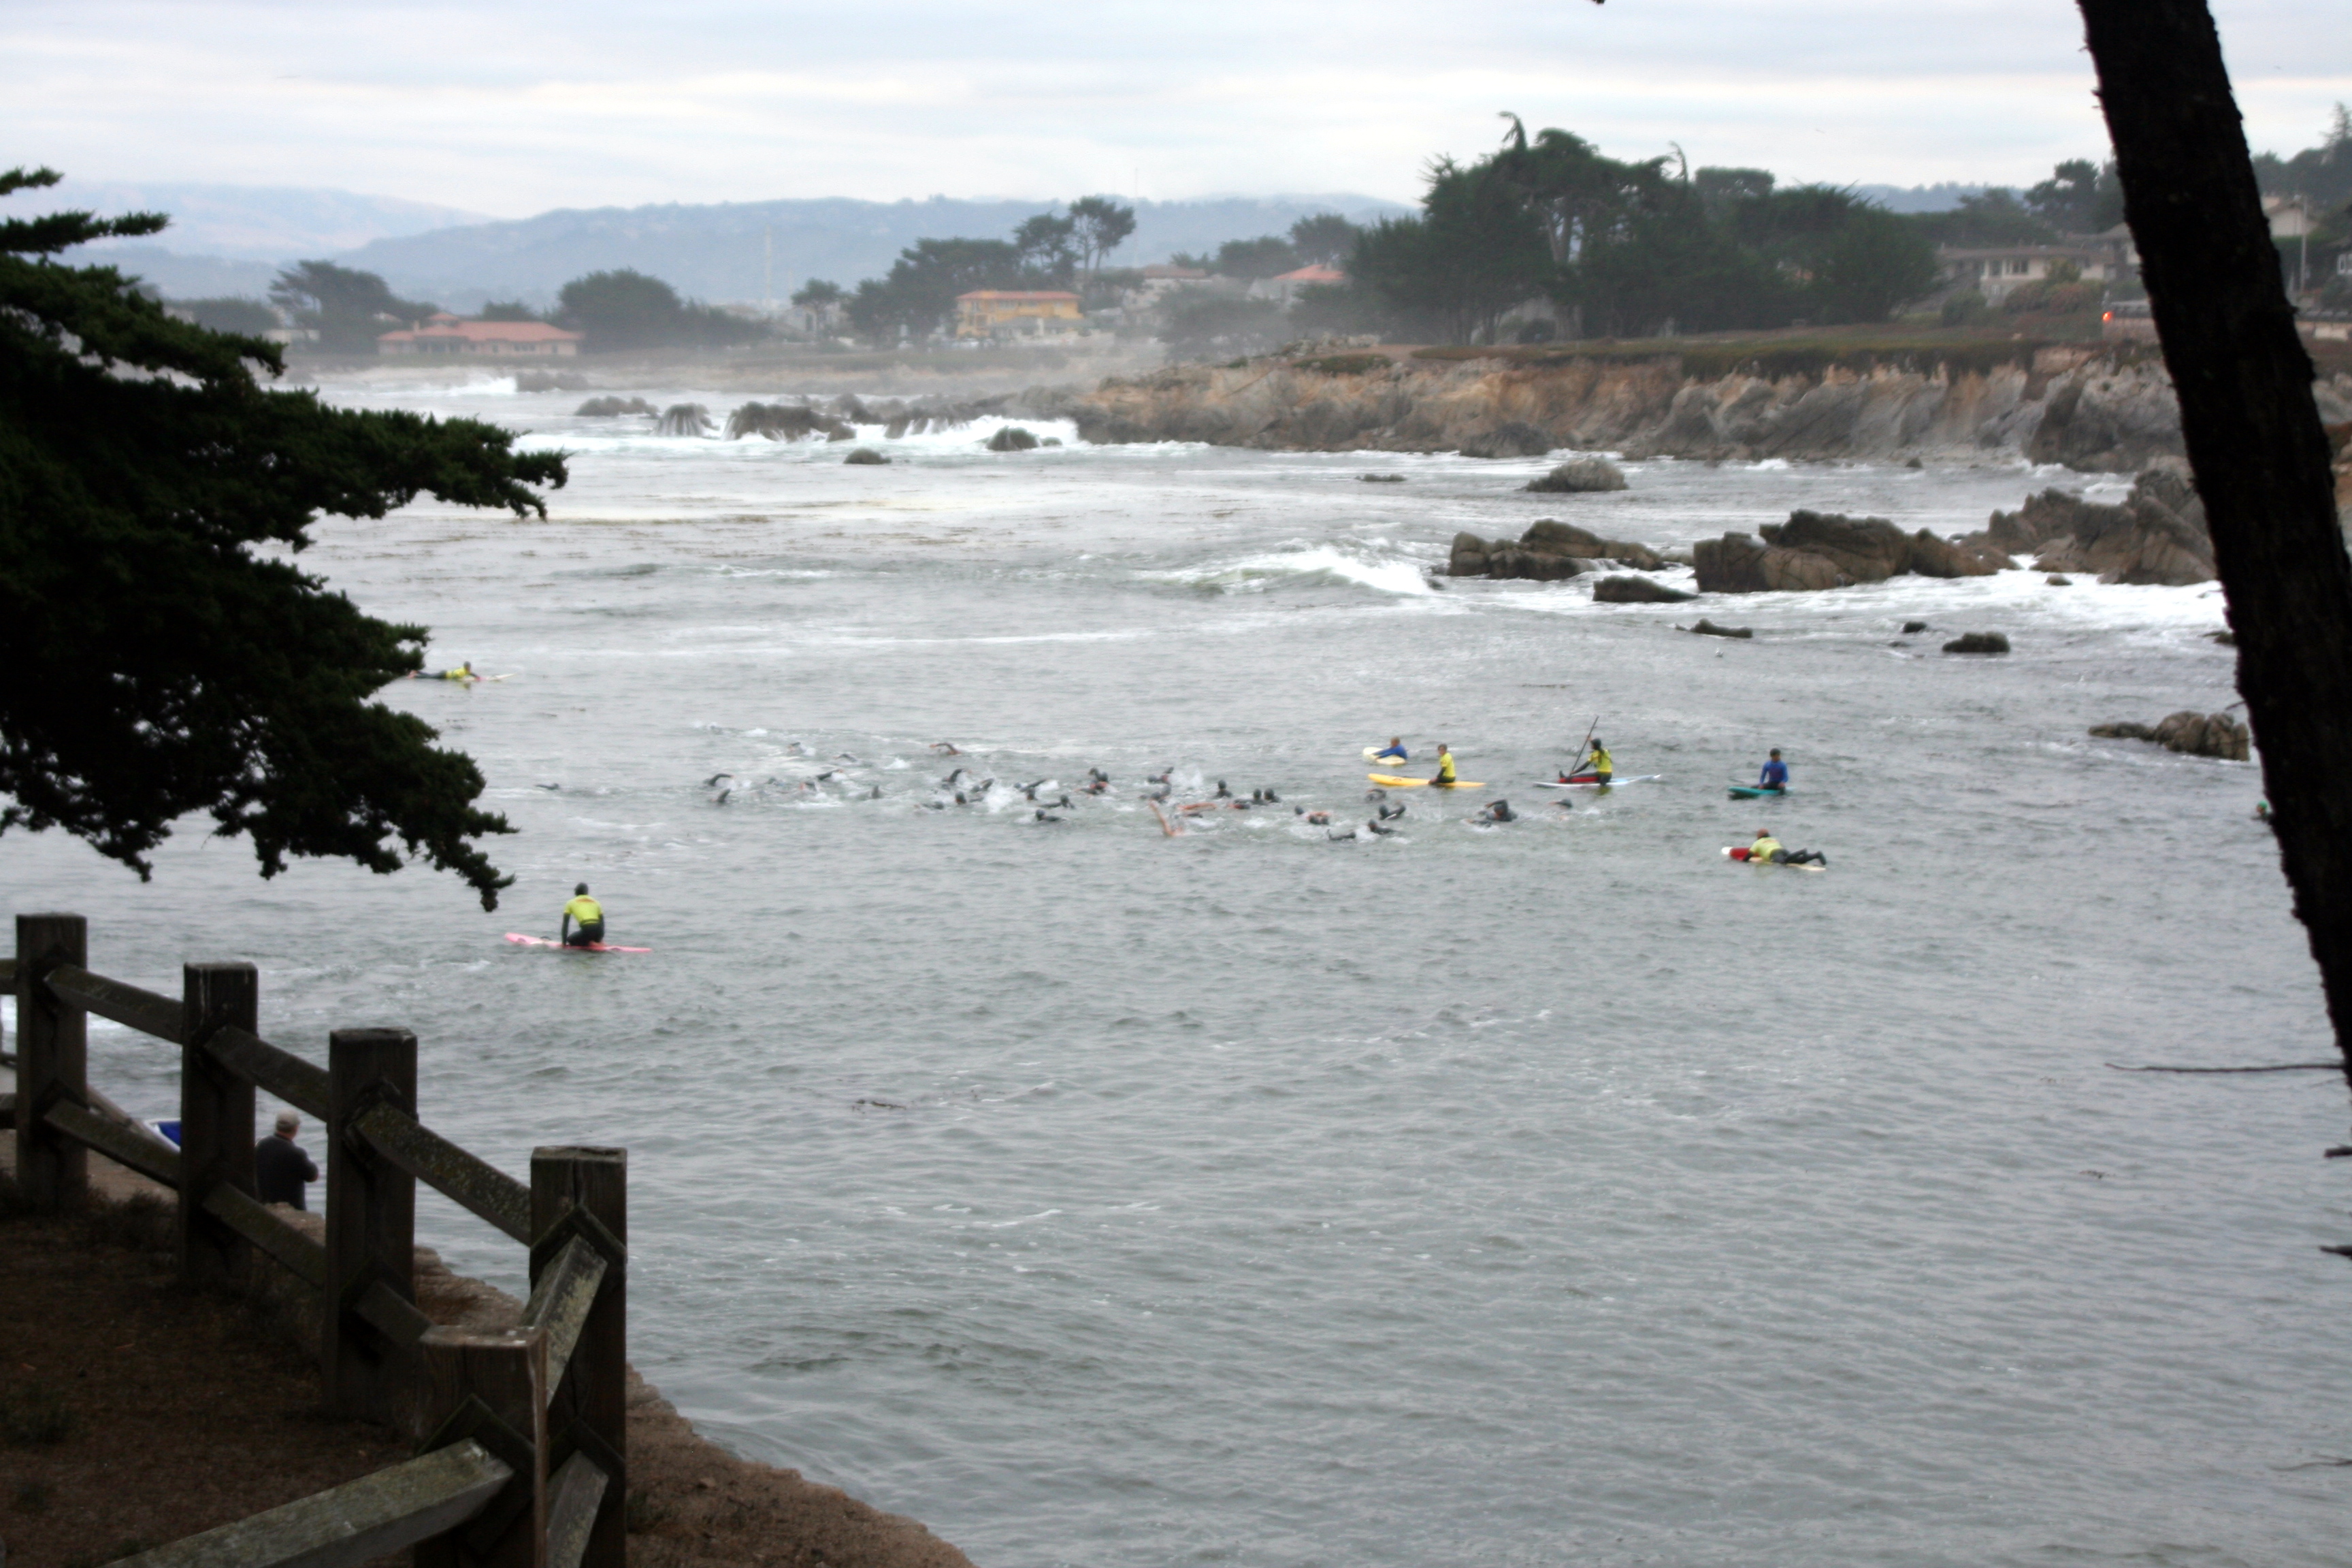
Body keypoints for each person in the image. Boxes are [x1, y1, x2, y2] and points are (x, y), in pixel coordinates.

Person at [255, 1111, 318, 1209]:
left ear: (276, 1126)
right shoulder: (296, 1153)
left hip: (263, 1206)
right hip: (292, 1209)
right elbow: (313, 1177)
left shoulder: (261, 1145)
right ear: (296, 1128)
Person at [561, 883, 605, 947]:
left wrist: (564, 944)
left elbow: (565, 925)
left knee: (570, 939)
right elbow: (602, 923)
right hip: (599, 931)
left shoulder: (570, 903)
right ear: (587, 892)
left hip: (587, 931)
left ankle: (589, 943)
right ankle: (597, 943)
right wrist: (599, 939)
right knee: (589, 934)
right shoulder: (596, 902)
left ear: (576, 892)